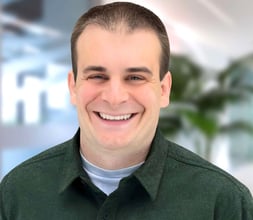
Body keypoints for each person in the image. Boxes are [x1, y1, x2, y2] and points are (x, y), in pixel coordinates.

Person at [0, 2, 252, 219]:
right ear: (73, 87)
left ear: (164, 89)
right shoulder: (17, 194)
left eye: (135, 77)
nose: (114, 97)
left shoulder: (223, 202)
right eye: (98, 75)